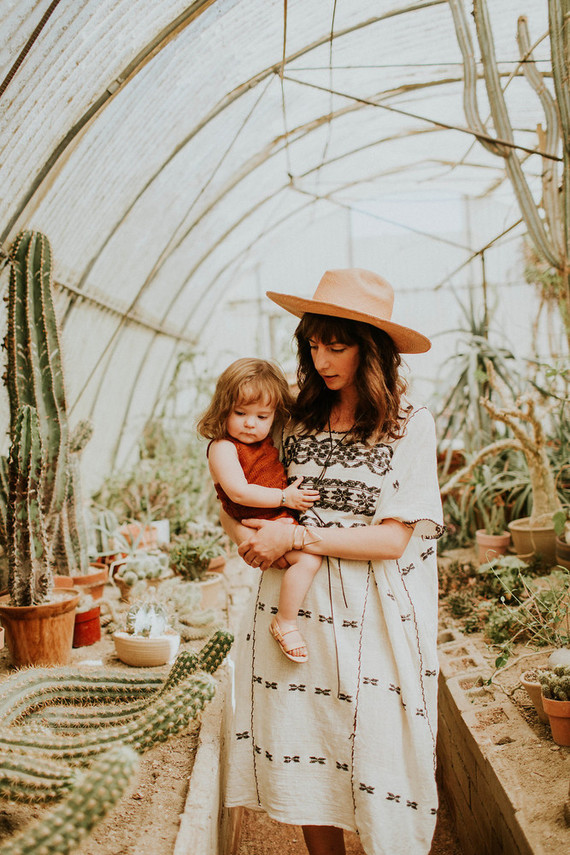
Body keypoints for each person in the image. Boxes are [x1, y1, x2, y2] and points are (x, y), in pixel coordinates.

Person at [222, 269, 444, 855]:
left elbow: (392, 541)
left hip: (373, 619)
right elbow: (241, 494)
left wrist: (296, 540)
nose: (322, 359)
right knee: (306, 748)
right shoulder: (294, 420)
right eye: (313, 344)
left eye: (337, 346)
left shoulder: (408, 425)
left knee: (379, 756)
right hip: (290, 615)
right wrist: (255, 534)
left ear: (372, 350)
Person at [197, 358, 322, 662]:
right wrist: (285, 499)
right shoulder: (223, 447)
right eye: (240, 413)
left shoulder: (264, 441)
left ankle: (288, 618)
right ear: (223, 409)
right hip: (260, 519)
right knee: (308, 559)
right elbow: (238, 491)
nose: (250, 423)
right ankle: (286, 621)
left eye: (261, 416)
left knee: (304, 560)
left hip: (274, 518)